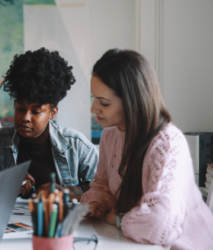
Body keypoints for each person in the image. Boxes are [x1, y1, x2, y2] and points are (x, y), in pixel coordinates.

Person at [81, 48, 213, 249]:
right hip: (135, 241)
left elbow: (161, 226)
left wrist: (117, 219)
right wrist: (96, 204)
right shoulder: (110, 135)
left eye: (104, 103)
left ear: (131, 101)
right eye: (93, 98)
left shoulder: (167, 143)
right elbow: (102, 186)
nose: (93, 109)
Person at [0, 48, 98, 198]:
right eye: (20, 108)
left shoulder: (77, 146)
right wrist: (2, 186)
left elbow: (104, 187)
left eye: (36, 111)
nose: (25, 117)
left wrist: (67, 192)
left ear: (52, 113)